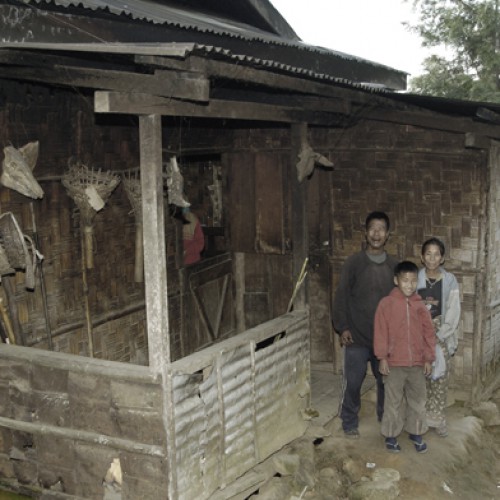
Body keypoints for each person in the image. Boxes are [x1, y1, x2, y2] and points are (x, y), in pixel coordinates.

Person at [332, 211, 398, 438]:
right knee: (353, 382)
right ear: (366, 232)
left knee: (385, 383)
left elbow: (400, 303)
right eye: (372, 228)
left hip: (384, 340)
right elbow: (341, 296)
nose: (376, 233)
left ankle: (385, 417)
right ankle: (349, 420)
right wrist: (343, 327)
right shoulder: (354, 263)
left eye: (381, 229)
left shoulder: (394, 266)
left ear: (388, 234)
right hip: (357, 337)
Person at [374, 260, 436, 453]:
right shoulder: (386, 304)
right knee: (393, 401)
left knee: (418, 400)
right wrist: (382, 357)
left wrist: (428, 358)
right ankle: (391, 435)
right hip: (394, 363)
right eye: (405, 280)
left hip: (417, 364)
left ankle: (415, 431)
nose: (409, 285)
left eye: (413, 281)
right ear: (396, 280)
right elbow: (380, 332)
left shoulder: (420, 306)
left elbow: (429, 334)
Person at [417, 237, 461, 437]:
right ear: (421, 257)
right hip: (418, 335)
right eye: (428, 253)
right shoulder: (415, 278)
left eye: (436, 254)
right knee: (420, 378)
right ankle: (421, 419)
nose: (432, 258)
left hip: (441, 334)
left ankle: (438, 419)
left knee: (440, 377)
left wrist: (439, 335)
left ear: (442, 258)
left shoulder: (449, 280)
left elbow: (453, 310)